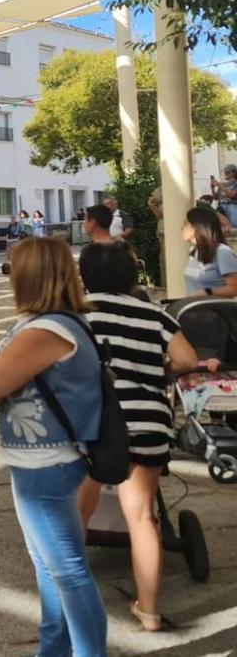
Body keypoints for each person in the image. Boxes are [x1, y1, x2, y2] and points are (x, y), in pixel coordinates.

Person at [0, 237, 107, 657]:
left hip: (46, 465)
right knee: (50, 567)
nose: (7, 278)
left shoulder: (47, 329)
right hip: (39, 461)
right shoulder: (53, 322)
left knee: (67, 570)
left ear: (29, 276)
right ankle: (53, 649)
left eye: (11, 269)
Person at [76, 242, 213, 632]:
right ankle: (149, 611)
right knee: (142, 517)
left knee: (78, 514)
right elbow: (187, 360)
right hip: (149, 419)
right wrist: (158, 368)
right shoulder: (153, 313)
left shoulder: (79, 311)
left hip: (98, 423)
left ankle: (68, 598)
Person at [183, 206, 237, 298]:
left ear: (197, 226)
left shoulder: (222, 252)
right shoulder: (194, 251)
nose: (181, 228)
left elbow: (234, 288)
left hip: (215, 310)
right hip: (194, 309)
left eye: (185, 224)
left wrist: (208, 292)